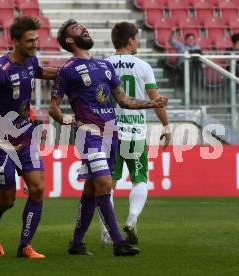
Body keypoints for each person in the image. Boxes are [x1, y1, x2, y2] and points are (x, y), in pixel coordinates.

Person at [50, 19, 167, 256]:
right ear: (69, 41)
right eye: (76, 29)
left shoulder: (105, 66)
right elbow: (53, 107)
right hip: (88, 133)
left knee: (92, 189)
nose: (83, 29)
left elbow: (123, 100)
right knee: (105, 183)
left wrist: (150, 103)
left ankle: (76, 242)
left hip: (111, 133)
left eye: (83, 27)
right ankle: (118, 242)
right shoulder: (67, 70)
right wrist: (66, 120)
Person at [0, 16, 57, 259]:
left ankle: (25, 246)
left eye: (36, 40)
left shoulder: (31, 61)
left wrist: (67, 73)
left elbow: (40, 71)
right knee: (6, 199)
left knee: (37, 188)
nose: (35, 44)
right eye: (30, 41)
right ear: (15, 41)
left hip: (25, 134)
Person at [97, 21, 172, 246]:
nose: (138, 41)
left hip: (110, 132)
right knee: (140, 179)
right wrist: (167, 127)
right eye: (137, 38)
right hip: (135, 132)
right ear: (130, 40)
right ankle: (131, 219)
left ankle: (106, 233)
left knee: (108, 182)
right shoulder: (143, 66)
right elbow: (156, 101)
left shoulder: (104, 65)